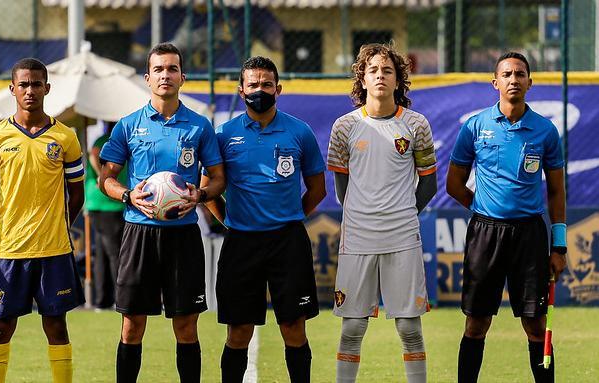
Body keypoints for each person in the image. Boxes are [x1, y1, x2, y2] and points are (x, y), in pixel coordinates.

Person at [98, 43, 226, 383]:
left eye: (172, 69)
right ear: (147, 78)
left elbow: (218, 178)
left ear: (183, 77)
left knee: (185, 325)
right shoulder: (128, 125)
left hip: (183, 235)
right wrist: (127, 195)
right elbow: (105, 178)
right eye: (158, 69)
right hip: (139, 233)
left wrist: (200, 194)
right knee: (132, 325)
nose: (165, 75)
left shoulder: (199, 126)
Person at [201, 56, 327, 383]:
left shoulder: (300, 132)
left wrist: (290, 217)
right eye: (253, 85)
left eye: (267, 85)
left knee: (293, 327)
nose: (260, 90)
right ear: (241, 90)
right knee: (239, 331)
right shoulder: (223, 134)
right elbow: (208, 188)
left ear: (278, 89)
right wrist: (229, 221)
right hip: (241, 243)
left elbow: (317, 189)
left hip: (288, 242)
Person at [447, 52, 566, 383]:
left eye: (520, 74)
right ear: (495, 82)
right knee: (476, 324)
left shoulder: (545, 131)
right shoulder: (475, 126)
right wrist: (484, 208)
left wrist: (559, 246)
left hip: (530, 236)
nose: (514, 79)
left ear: (530, 82)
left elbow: (557, 192)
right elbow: (454, 184)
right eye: (507, 74)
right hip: (485, 234)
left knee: (536, 325)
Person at [327, 43, 438, 383]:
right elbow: (342, 188)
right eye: (373, 70)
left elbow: (429, 183)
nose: (380, 76)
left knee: (409, 327)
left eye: (387, 71)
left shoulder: (416, 124)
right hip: (358, 237)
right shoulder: (344, 126)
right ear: (362, 79)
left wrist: (402, 213)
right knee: (353, 326)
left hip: (402, 235)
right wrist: (362, 214)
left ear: (398, 80)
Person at [0, 58, 85, 383]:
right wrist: (6, 225)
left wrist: (58, 226)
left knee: (56, 325)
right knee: (1, 325)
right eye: (23, 84)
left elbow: (76, 195)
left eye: (36, 84)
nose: (30, 90)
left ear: (47, 88)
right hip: (10, 250)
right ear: (12, 89)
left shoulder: (65, 137)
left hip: (54, 249)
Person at [85, 126, 126, 309]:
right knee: (116, 253)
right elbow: (94, 153)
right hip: (109, 203)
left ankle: (102, 300)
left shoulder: (107, 138)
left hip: (98, 203)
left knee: (103, 253)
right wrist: (102, 176)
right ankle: (121, 298)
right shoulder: (110, 139)